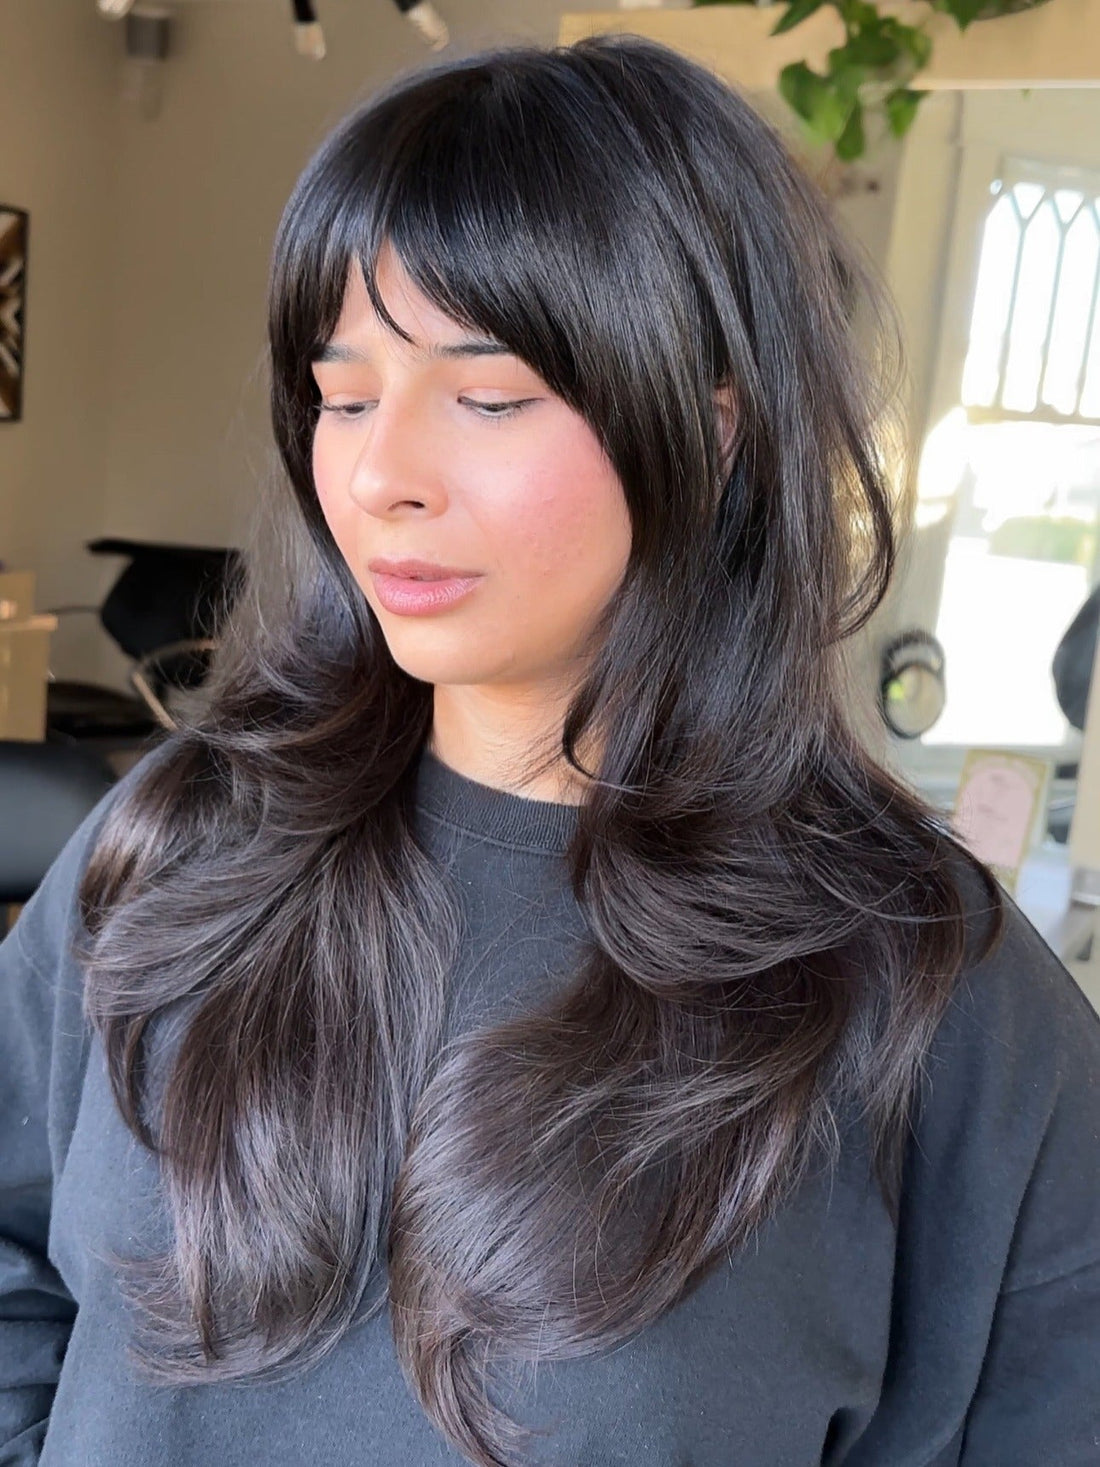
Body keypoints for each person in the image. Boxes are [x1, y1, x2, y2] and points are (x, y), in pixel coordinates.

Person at [1, 34, 1098, 1467]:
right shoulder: (183, 837)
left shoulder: (930, 993)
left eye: (490, 395)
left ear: (711, 434)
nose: (379, 475)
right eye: (343, 396)